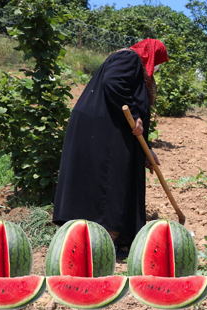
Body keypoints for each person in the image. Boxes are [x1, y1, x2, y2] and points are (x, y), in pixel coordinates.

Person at [53, 38, 169, 257]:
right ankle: (103, 241)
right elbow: (113, 81)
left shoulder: (135, 68)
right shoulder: (129, 58)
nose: (157, 67)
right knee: (111, 180)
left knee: (113, 179)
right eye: (158, 61)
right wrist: (134, 115)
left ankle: (108, 239)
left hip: (110, 129)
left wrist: (147, 150)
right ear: (150, 55)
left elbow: (137, 112)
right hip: (103, 128)